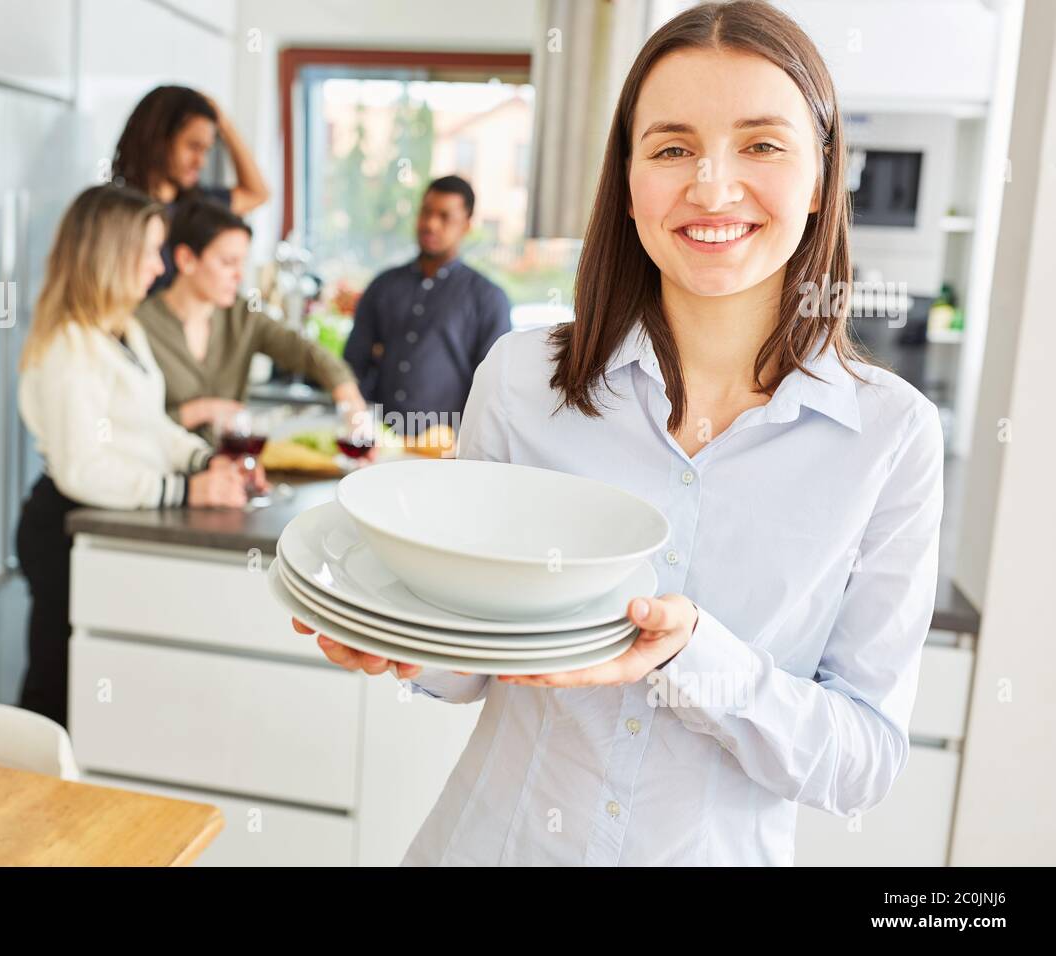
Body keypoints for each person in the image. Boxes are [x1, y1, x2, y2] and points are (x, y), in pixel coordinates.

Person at [295, 0, 944, 865]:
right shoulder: (523, 382)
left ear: (823, 176)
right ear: (630, 180)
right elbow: (468, 662)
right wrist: (395, 639)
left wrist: (697, 657)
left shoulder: (890, 436)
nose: (712, 187)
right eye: (673, 148)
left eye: (761, 144)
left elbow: (862, 761)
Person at [16, 184, 252, 727]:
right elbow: (83, 470)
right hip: (66, 527)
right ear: (110, 254)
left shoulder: (122, 330)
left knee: (88, 685)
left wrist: (202, 462)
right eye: (149, 250)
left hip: (104, 519)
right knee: (57, 694)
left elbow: (152, 426)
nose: (159, 265)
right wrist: (187, 490)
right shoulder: (68, 345)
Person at [137, 199, 366, 435]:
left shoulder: (244, 315)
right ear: (186, 259)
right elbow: (129, 424)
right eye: (228, 262)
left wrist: (350, 401)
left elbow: (304, 352)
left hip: (228, 466)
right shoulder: (138, 325)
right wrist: (200, 411)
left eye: (243, 262)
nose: (239, 275)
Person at [342, 175, 511, 437]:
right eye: (426, 212)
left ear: (466, 226)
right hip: (378, 443)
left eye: (445, 217)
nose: (431, 224)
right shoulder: (383, 286)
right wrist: (356, 420)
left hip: (446, 452)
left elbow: (493, 388)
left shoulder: (488, 298)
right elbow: (354, 363)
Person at [111, 85, 270, 293]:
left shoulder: (200, 206)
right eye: (193, 147)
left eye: (206, 150)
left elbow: (257, 194)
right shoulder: (117, 212)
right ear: (159, 139)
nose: (201, 162)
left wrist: (222, 122)